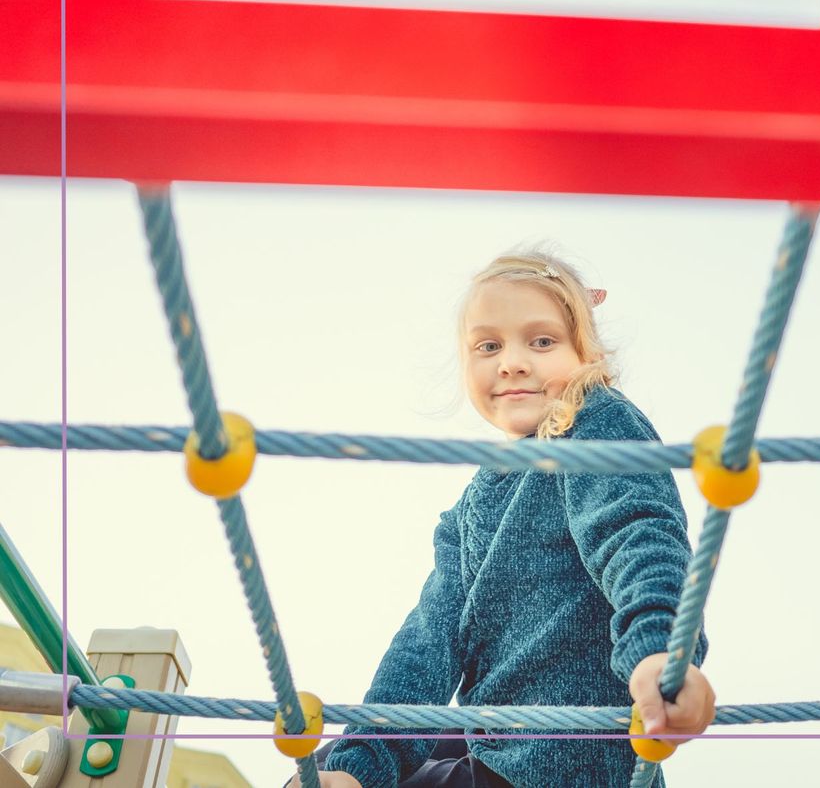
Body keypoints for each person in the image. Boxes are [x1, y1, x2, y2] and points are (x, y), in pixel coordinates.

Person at [286, 249, 714, 788]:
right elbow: (430, 642)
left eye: (541, 341)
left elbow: (636, 535)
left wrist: (660, 656)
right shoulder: (468, 510)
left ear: (587, 353)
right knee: (336, 768)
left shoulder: (594, 422)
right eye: (489, 346)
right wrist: (357, 767)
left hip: (569, 760)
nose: (511, 362)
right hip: (496, 746)